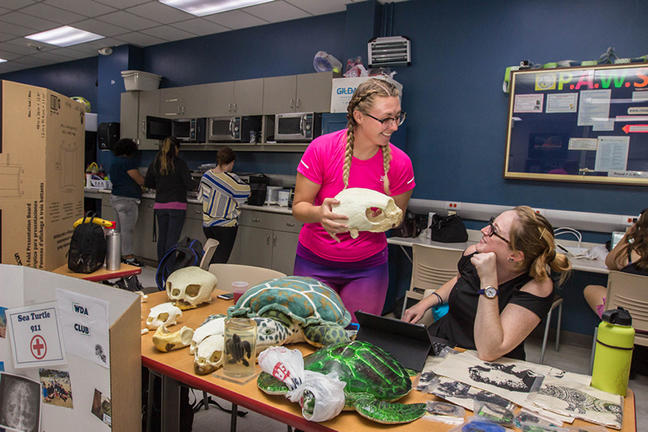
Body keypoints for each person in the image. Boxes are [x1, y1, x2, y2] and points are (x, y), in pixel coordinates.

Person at [292, 78, 415, 322]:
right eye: (385, 118)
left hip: (368, 269)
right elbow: (299, 208)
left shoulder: (401, 163)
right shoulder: (322, 150)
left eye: (398, 117)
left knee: (355, 341)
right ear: (359, 116)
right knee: (310, 336)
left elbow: (396, 218)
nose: (394, 126)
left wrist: (378, 218)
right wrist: (320, 215)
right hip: (314, 262)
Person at [403, 206, 571, 361]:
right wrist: (426, 302)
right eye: (491, 223)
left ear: (516, 255)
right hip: (444, 341)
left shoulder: (537, 286)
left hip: (488, 359)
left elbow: (489, 351)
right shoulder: (473, 253)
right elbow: (459, 282)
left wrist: (488, 280)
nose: (484, 230)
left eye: (494, 231)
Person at [584, 208, 648, 318]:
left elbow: (609, 262)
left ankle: (613, 321)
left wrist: (628, 236)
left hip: (626, 321)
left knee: (591, 290)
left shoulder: (628, 255)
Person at [144, 136, 195, 262]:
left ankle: (161, 267)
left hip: (160, 205)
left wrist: (161, 185)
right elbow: (189, 184)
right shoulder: (180, 163)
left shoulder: (155, 163)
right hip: (177, 206)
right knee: (172, 239)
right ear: (176, 148)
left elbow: (148, 182)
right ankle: (170, 269)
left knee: (162, 238)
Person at [198, 147, 250, 263]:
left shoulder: (206, 176)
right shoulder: (232, 180)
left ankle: (208, 279)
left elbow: (201, 196)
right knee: (220, 261)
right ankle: (216, 280)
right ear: (232, 162)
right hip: (225, 226)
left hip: (208, 225)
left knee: (210, 257)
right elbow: (246, 193)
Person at [109, 138, 145, 266]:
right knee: (127, 230)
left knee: (118, 230)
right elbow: (139, 180)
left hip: (116, 197)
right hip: (128, 199)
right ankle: (128, 257)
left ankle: (116, 255)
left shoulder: (113, 162)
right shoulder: (128, 163)